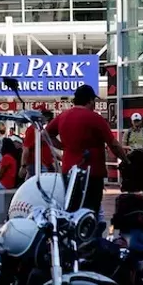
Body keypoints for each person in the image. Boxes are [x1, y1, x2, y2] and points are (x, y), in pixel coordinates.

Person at [45, 85, 128, 217]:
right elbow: (113, 144)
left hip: (68, 171)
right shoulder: (95, 118)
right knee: (90, 210)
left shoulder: (63, 116)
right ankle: (90, 236)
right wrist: (126, 160)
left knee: (72, 208)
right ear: (90, 100)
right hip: (92, 172)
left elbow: (47, 134)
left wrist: (63, 147)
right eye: (93, 101)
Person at [21, 107, 57, 178]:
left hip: (44, 164)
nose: (47, 118)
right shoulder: (32, 130)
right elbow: (26, 149)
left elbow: (48, 149)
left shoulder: (40, 130)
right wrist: (23, 166)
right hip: (37, 165)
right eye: (45, 115)